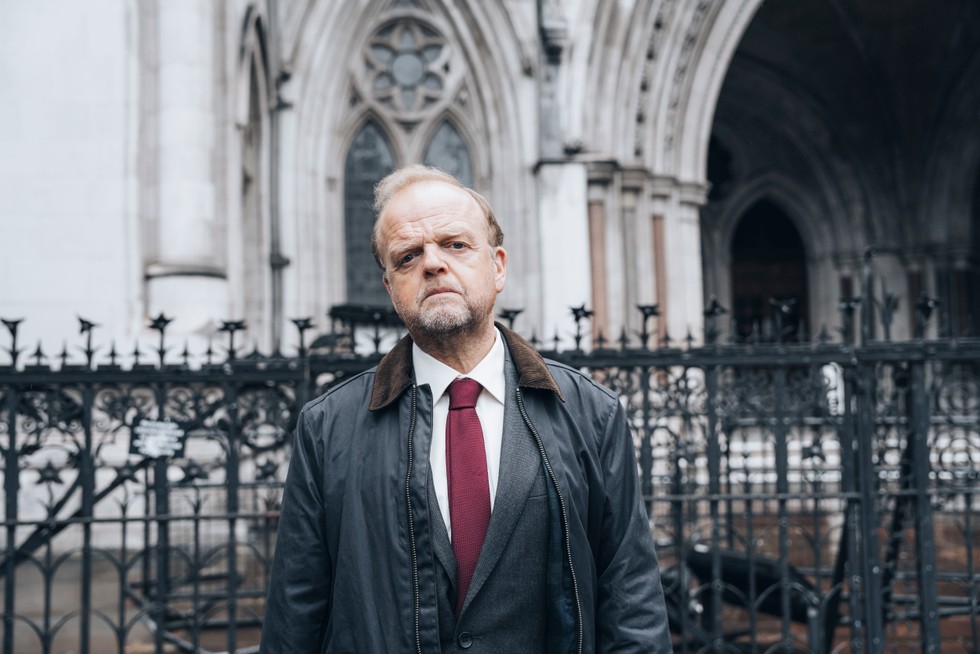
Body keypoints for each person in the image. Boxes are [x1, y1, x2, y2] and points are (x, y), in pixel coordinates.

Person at [260, 165, 672, 653]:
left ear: (498, 266)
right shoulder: (328, 428)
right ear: (391, 289)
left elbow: (632, 602)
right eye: (408, 256)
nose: (432, 264)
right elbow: (296, 615)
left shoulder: (592, 414)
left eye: (455, 244)